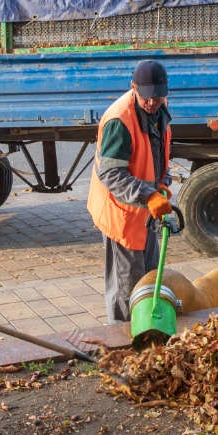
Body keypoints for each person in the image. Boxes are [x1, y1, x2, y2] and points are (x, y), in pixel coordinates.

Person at [87, 59, 173, 322]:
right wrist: (148, 195)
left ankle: (145, 335)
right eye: (147, 98)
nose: (152, 103)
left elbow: (156, 152)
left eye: (157, 98)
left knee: (147, 279)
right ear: (133, 87)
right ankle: (121, 344)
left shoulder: (159, 107)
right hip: (122, 213)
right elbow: (111, 174)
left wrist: (162, 183)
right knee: (126, 287)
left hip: (144, 210)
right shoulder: (119, 121)